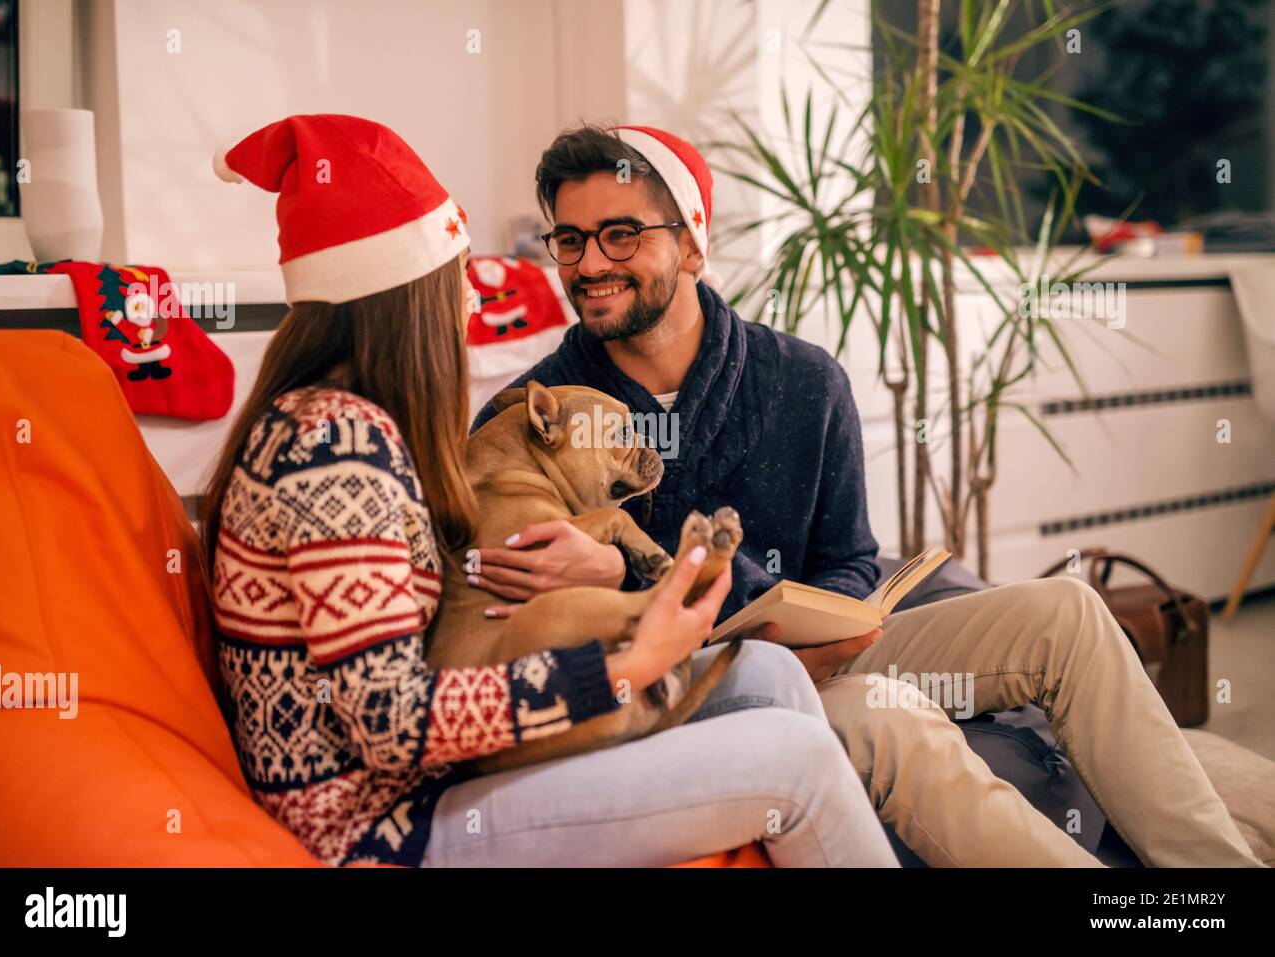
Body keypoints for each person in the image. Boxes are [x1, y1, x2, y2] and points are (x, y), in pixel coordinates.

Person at [471, 123, 1264, 867]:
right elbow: (510, 623)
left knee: (1069, 612)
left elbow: (848, 557)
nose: (589, 262)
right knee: (884, 715)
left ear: (692, 239)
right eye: (570, 240)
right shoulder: (533, 416)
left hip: (823, 655)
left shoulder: (804, 380)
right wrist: (632, 578)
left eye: (621, 233)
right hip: (690, 688)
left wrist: (837, 625)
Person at [200, 114, 897, 868]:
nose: (470, 298)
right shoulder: (330, 446)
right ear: (403, 297)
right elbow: (388, 722)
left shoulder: (353, 429)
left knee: (768, 671)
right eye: (456, 273)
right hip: (392, 826)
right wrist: (626, 667)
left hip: (441, 779)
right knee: (796, 760)